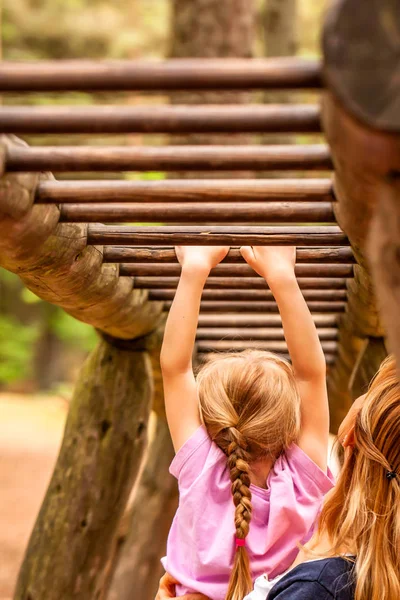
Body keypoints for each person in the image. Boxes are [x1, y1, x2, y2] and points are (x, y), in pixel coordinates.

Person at [160, 245, 334, 600]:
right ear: (290, 420)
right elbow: (312, 374)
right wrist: (283, 277)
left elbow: (174, 367)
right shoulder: (302, 481)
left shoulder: (202, 468)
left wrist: (194, 269)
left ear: (212, 418)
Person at [157, 354, 400, 600]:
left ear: (350, 435)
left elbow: (174, 367)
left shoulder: (320, 583)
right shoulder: (302, 492)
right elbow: (311, 374)